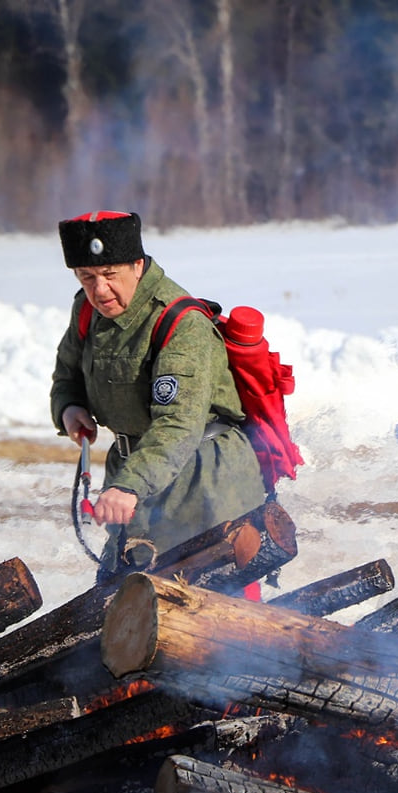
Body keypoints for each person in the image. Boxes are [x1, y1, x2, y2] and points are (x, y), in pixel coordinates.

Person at [50, 210, 267, 578]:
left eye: (109, 275)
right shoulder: (86, 309)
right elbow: (67, 370)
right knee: (124, 601)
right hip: (138, 470)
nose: (99, 290)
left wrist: (127, 487)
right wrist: (69, 407)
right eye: (87, 277)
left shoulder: (180, 324)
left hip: (204, 478)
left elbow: (179, 425)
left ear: (137, 265)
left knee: (211, 607)